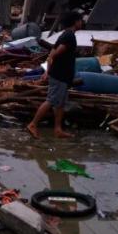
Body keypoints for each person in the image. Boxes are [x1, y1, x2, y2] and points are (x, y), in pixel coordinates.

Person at [26, 11, 83, 139]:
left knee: (60, 103)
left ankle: (58, 129)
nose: (81, 22)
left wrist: (47, 71)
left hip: (61, 75)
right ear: (75, 21)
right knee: (51, 100)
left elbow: (51, 52)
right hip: (59, 76)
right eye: (80, 20)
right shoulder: (69, 36)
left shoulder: (64, 34)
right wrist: (49, 71)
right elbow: (54, 54)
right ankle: (33, 124)